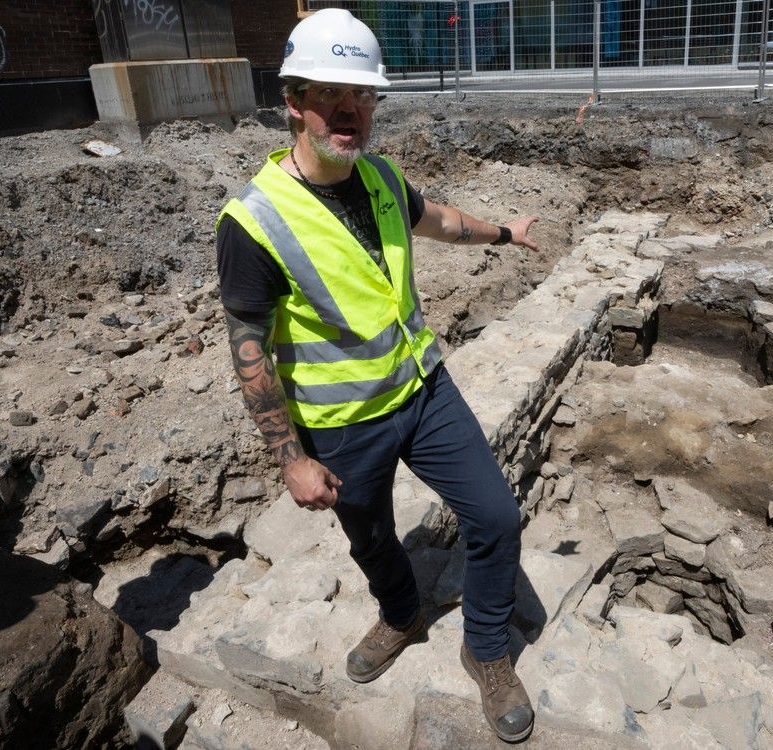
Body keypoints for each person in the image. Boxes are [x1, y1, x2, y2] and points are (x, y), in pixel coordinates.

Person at [215, 8, 539, 743]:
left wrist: (503, 233)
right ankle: (400, 614)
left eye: (362, 95)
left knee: (495, 516)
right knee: (371, 539)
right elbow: (247, 345)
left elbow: (439, 221)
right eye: (331, 94)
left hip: (421, 390)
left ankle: (486, 650)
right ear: (293, 101)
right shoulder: (255, 220)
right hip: (342, 423)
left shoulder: (382, 176)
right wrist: (291, 458)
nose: (351, 110)